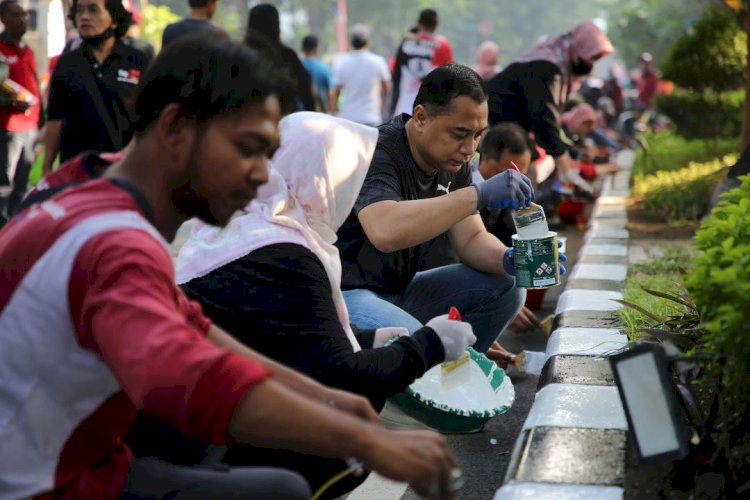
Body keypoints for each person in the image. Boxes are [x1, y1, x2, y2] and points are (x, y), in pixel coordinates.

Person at [0, 36, 462, 500]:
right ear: (176, 127)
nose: (265, 174)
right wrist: (365, 439)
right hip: (48, 481)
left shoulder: (78, 184)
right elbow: (192, 381)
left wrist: (336, 403)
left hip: (90, 448)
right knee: (285, 485)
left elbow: (194, 329)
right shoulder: (116, 245)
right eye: (248, 148)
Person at [175, 112, 476, 497]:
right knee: (350, 437)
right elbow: (342, 377)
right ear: (324, 179)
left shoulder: (241, 226)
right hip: (210, 439)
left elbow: (285, 338)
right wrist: (430, 343)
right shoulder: (286, 253)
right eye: (349, 177)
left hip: (197, 415)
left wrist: (368, 338)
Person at [336, 63, 541, 363]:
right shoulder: (379, 151)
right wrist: (477, 195)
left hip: (402, 290)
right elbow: (384, 230)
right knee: (423, 343)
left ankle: (457, 376)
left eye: (477, 135)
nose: (469, 148)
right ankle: (426, 388)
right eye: (460, 133)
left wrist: (512, 259)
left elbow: (470, 238)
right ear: (420, 118)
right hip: (350, 296)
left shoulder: (454, 164)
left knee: (508, 286)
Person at [486, 21, 614, 199]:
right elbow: (544, 120)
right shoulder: (546, 68)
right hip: (495, 127)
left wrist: (569, 153)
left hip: (508, 127)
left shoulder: (552, 63)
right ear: (579, 48)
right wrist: (567, 169)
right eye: (591, 57)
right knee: (525, 175)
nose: (590, 64)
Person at [42, 0, 152, 174]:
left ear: (114, 20)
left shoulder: (137, 60)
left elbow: (149, 117)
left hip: (124, 170)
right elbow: (55, 118)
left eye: (93, 10)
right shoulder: (67, 63)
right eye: (79, 11)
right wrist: (47, 167)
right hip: (76, 170)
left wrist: (128, 152)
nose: (84, 17)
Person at [0, 0, 40, 220]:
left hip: (30, 128)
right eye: (16, 15)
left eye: (24, 14)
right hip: (7, 128)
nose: (23, 18)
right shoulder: (1, 49)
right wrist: (11, 101)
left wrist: (42, 122)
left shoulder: (28, 50)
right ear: (3, 19)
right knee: (5, 183)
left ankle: (15, 227)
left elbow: (34, 86)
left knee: (22, 185)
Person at [245, 3, 315, 112]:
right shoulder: (287, 57)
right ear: (276, 25)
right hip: (283, 121)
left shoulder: (240, 56)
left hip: (246, 122)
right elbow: (306, 94)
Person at [390, 8, 453, 117]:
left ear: (419, 23)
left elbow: (396, 73)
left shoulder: (407, 42)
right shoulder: (442, 45)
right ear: (436, 25)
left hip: (404, 105)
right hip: (430, 106)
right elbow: (449, 75)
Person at [330, 24, 391, 126]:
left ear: (351, 42)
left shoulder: (342, 63)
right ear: (367, 41)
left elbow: (336, 92)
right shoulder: (378, 61)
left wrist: (333, 113)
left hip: (348, 119)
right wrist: (383, 107)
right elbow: (386, 89)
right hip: (372, 118)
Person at [300, 34, 333, 112]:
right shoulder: (324, 68)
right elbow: (330, 95)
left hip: (298, 114)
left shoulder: (296, 68)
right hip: (318, 115)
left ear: (302, 50)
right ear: (316, 50)